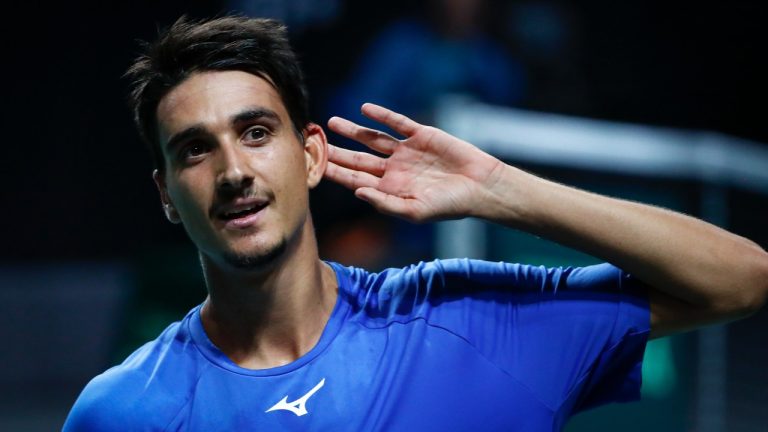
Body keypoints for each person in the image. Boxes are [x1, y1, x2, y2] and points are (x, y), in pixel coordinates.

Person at [63, 15, 768, 431]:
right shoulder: (124, 411)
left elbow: (739, 280)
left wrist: (501, 190)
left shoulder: (475, 323)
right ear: (165, 192)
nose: (234, 172)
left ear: (311, 155)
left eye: (255, 132)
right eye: (195, 149)